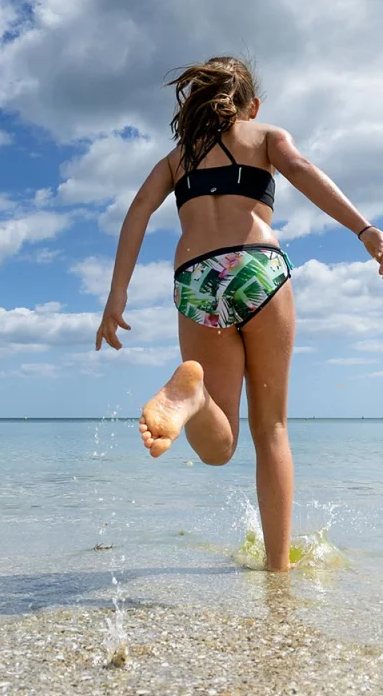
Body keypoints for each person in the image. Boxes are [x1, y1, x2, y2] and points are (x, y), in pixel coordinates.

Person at [95, 56, 383, 572]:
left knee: (218, 447)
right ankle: (278, 569)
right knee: (271, 430)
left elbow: (138, 210)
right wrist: (364, 231)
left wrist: (117, 296)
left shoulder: (176, 159)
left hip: (196, 280)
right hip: (256, 268)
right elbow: (302, 170)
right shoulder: (266, 135)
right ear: (252, 105)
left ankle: (196, 397)